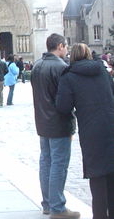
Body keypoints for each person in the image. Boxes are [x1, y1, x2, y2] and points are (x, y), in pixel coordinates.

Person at [56, 43, 114, 219]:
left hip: (91, 131)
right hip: (111, 125)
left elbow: (63, 107)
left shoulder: (69, 76)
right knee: (112, 174)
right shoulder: (102, 71)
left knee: (97, 176)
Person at [30, 33, 79, 219]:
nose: (66, 50)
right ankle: (58, 208)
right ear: (60, 46)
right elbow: (66, 100)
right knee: (58, 164)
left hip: (42, 122)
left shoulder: (37, 66)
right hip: (58, 123)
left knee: (46, 162)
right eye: (65, 46)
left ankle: (47, 203)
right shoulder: (61, 67)